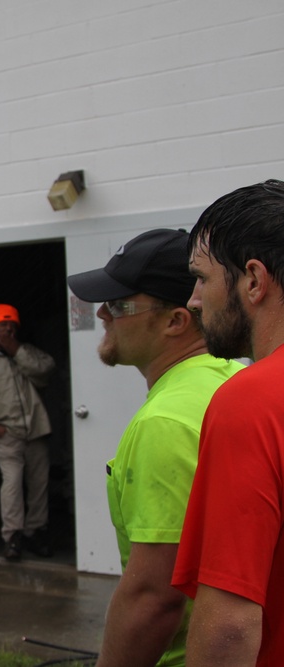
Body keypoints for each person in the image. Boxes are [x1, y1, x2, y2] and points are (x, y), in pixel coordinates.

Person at [67, 228, 242, 667]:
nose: (103, 313)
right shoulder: (235, 381)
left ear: (176, 321)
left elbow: (156, 598)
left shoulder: (164, 422)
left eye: (120, 304)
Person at [171, 180, 284, 667]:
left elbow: (230, 626)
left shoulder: (252, 400)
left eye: (202, 278)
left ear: (253, 281)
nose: (194, 300)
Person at [0, 303, 55, 560]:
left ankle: (35, 532)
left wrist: (15, 350)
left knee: (39, 484)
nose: (6, 328)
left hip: (36, 429)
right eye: (2, 324)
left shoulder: (25, 352)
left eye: (11, 325)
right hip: (7, 432)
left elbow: (46, 371)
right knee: (12, 484)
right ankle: (13, 536)